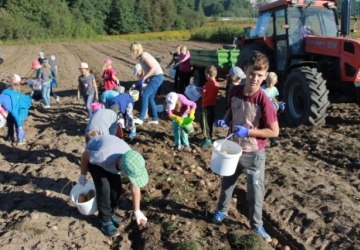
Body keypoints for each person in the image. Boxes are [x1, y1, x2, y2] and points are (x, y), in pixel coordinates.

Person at [212, 51, 279, 243]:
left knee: (255, 191)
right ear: (245, 72)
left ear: (265, 75)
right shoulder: (234, 91)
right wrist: (225, 121)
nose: (255, 79)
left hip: (253, 154)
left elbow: (274, 131)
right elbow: (231, 111)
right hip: (232, 150)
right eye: (251, 74)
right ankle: (221, 211)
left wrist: (249, 132)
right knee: (227, 184)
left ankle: (257, 225)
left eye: (259, 75)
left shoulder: (263, 100)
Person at [78, 134, 148, 236]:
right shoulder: (102, 157)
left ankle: (110, 212)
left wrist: (137, 211)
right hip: (95, 158)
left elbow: (135, 186)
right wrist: (83, 174)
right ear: (123, 169)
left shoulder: (131, 160)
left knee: (117, 189)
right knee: (104, 189)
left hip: (112, 157)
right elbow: (85, 155)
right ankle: (104, 220)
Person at [130, 42, 164, 125]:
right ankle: (155, 118)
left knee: (144, 95)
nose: (131, 52)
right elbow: (148, 70)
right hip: (155, 77)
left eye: (131, 50)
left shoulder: (144, 56)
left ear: (135, 50)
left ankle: (141, 118)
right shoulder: (142, 57)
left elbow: (153, 68)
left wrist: (144, 78)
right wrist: (141, 80)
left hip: (157, 77)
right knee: (150, 98)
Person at [0, 74, 32, 145]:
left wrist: (3, 111)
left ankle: (21, 139)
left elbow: (25, 102)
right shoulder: (7, 93)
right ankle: (10, 136)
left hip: (20, 110)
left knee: (18, 124)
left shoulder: (7, 94)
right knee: (10, 121)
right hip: (15, 109)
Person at [262, 72, 285, 147]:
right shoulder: (262, 89)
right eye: (269, 83)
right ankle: (262, 140)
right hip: (263, 111)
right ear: (266, 80)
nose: (270, 85)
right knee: (264, 125)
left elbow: (274, 99)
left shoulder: (274, 89)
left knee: (272, 125)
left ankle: (273, 140)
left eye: (272, 83)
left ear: (275, 82)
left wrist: (279, 103)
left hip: (272, 111)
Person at [200, 65, 220, 149]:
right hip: (212, 105)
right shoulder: (217, 84)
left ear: (208, 75)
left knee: (204, 124)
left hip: (206, 106)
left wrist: (201, 91)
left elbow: (204, 93)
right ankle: (210, 136)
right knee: (210, 122)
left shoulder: (208, 83)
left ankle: (207, 139)